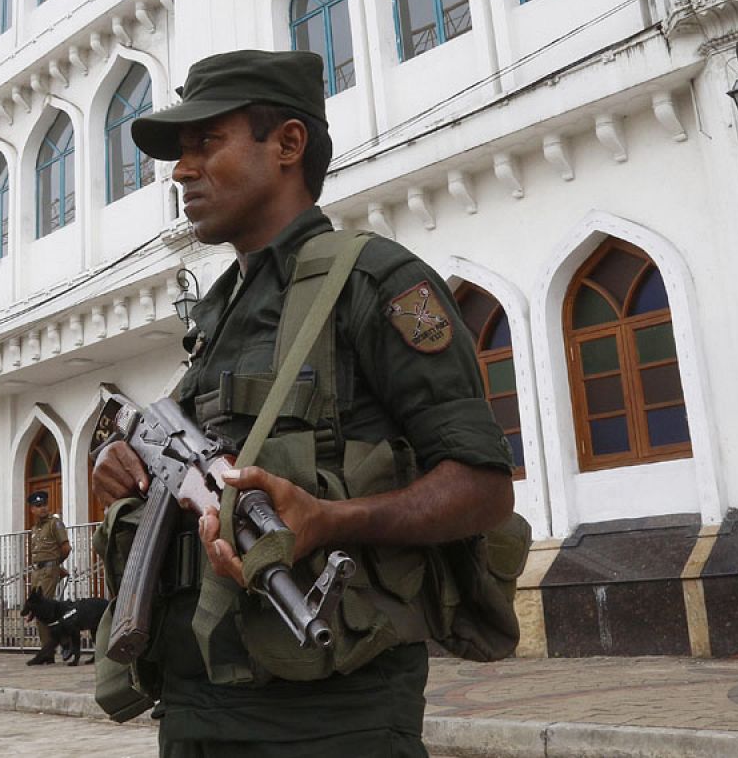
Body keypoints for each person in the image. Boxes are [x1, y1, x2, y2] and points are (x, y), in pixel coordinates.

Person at [91, 50, 515, 756]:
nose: (181, 170)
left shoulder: (375, 282)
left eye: (206, 144)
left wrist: (329, 520)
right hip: (195, 699)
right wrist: (121, 460)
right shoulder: (219, 312)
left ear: (287, 144)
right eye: (180, 152)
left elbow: (482, 487)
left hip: (330, 713)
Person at [23, 490, 70, 666]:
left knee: (45, 610)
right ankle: (48, 650)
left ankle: (61, 643)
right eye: (37, 506)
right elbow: (35, 553)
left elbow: (65, 548)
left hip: (49, 571)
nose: (42, 508)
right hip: (37, 572)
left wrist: (57, 566)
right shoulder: (35, 529)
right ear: (32, 509)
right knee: (38, 611)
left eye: (43, 505)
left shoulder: (54, 524)